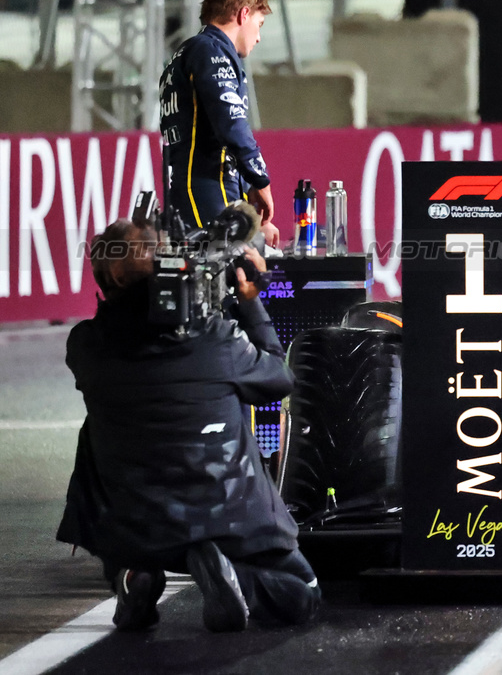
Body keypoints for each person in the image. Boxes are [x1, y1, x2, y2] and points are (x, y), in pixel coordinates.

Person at [57, 215, 321, 632]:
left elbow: (122, 320)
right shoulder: (217, 339)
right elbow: (278, 378)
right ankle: (234, 574)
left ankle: (131, 574)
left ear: (105, 284)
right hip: (231, 517)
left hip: (133, 522)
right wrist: (250, 301)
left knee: (102, 432)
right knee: (303, 592)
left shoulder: (85, 345)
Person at [160, 0, 280, 248]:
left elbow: (211, 131)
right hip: (206, 190)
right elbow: (231, 124)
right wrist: (260, 181)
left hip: (194, 189)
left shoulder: (187, 53)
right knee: (227, 280)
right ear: (243, 14)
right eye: (259, 24)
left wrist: (248, 193)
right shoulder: (209, 51)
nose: (258, 37)